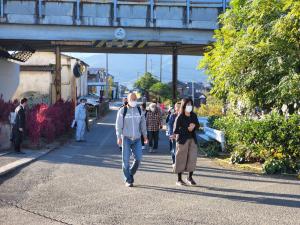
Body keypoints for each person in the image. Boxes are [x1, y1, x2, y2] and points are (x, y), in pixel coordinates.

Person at [116, 93, 148, 187]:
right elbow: (118, 125)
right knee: (125, 161)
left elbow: (143, 124)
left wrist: (145, 136)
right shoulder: (123, 110)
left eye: (135, 99)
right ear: (128, 100)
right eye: (132, 99)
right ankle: (128, 180)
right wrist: (118, 137)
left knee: (138, 159)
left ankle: (129, 173)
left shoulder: (139, 110)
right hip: (126, 138)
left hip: (137, 139)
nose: (133, 100)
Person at [173, 98, 200, 186]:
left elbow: (198, 125)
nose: (189, 106)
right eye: (188, 104)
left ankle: (190, 177)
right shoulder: (180, 116)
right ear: (184, 106)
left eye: (191, 104)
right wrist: (187, 129)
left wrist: (194, 126)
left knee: (192, 158)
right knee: (181, 159)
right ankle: (179, 179)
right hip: (182, 140)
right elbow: (175, 130)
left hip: (192, 139)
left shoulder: (193, 115)